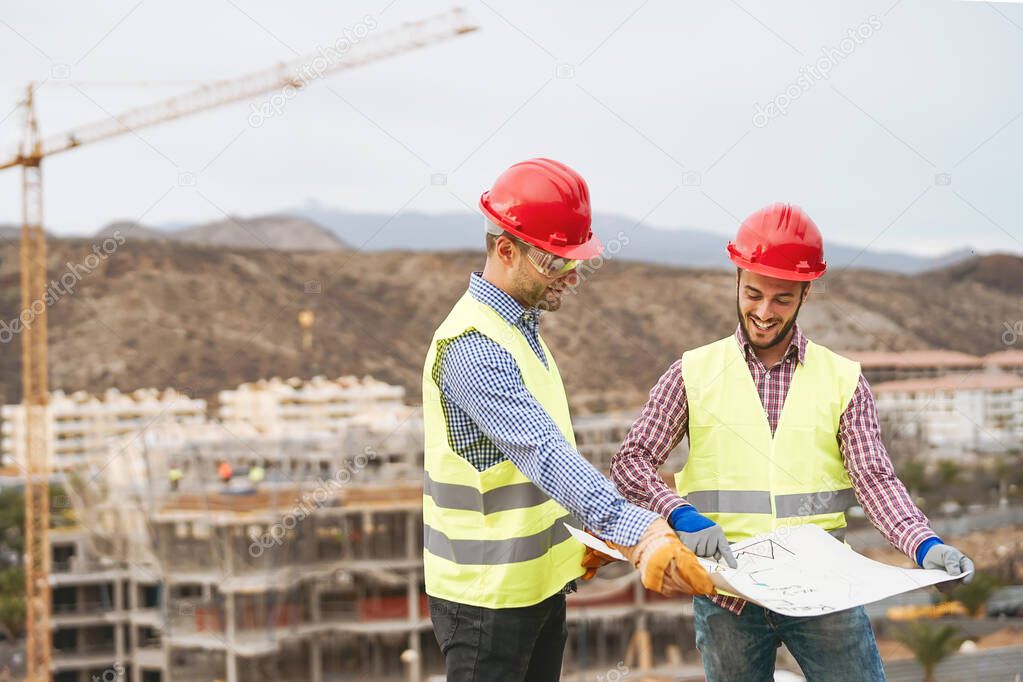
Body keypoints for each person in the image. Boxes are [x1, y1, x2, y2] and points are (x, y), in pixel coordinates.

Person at [610, 202, 975, 681]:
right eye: (753, 293)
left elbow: (873, 479)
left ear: (806, 293)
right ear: (737, 280)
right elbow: (630, 463)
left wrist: (924, 545)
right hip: (728, 596)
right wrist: (681, 514)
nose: (763, 312)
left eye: (782, 299)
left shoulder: (842, 379)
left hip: (824, 593)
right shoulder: (691, 373)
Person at [423, 158, 713, 682]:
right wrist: (638, 535)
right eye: (556, 261)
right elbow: (546, 456)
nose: (572, 275)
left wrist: (589, 538)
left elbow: (523, 478)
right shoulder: (472, 347)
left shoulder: (521, 331)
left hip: (537, 592)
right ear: (506, 250)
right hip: (487, 605)